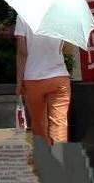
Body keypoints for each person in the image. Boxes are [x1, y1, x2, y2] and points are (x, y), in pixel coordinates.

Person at [15, 14, 76, 144]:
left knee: (38, 122)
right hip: (58, 77)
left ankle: (43, 153)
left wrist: (19, 82)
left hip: (32, 79)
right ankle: (59, 154)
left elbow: (22, 51)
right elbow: (68, 50)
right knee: (59, 123)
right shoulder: (60, 15)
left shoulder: (23, 15)